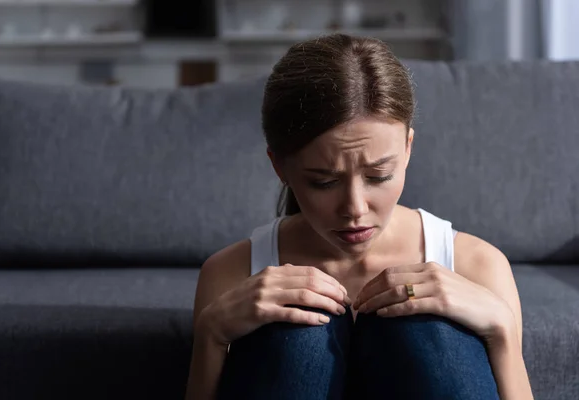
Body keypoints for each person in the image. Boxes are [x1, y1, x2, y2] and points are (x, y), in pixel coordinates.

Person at [185, 33, 533, 400]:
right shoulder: (231, 273)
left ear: (408, 149)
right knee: (294, 336)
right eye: (324, 182)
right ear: (280, 167)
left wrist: (502, 331)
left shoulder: (477, 265)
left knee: (424, 329)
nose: (355, 208)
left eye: (378, 176)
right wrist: (211, 333)